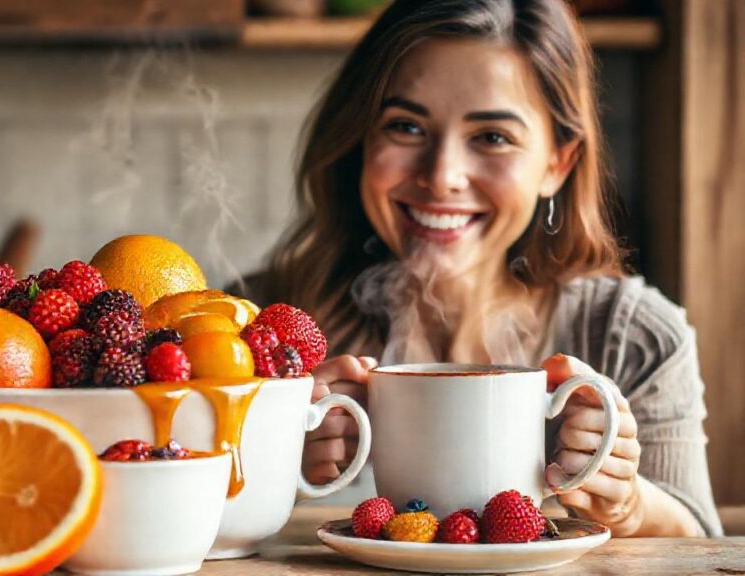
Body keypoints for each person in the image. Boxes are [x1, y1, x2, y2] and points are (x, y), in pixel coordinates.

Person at [236, 0, 722, 536]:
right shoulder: (250, 329)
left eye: (492, 137)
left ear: (558, 164)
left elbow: (701, 543)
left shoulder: (631, 335)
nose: (442, 176)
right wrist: (268, 465)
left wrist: (628, 504)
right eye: (406, 126)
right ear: (360, 139)